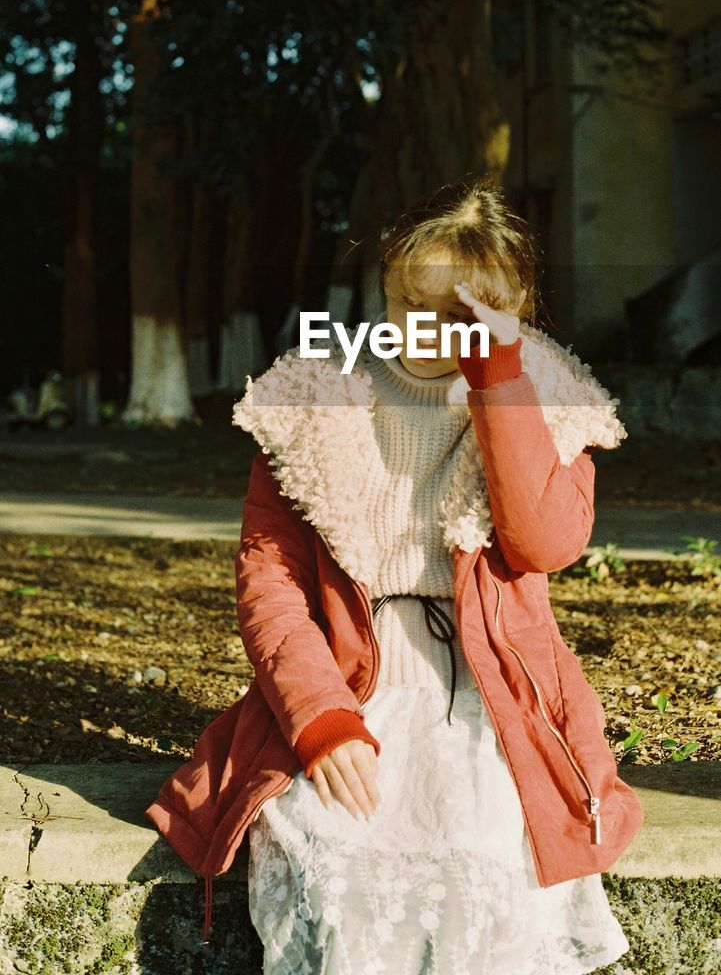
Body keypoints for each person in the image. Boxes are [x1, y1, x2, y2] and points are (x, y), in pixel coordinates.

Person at [146, 175, 645, 973]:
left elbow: (543, 543)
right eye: (412, 302)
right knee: (335, 851)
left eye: (458, 312)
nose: (431, 330)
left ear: (507, 307)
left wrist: (499, 383)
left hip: (489, 690)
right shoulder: (313, 399)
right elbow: (269, 584)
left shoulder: (549, 402)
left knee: (485, 852)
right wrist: (321, 721)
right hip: (348, 678)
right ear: (384, 288)